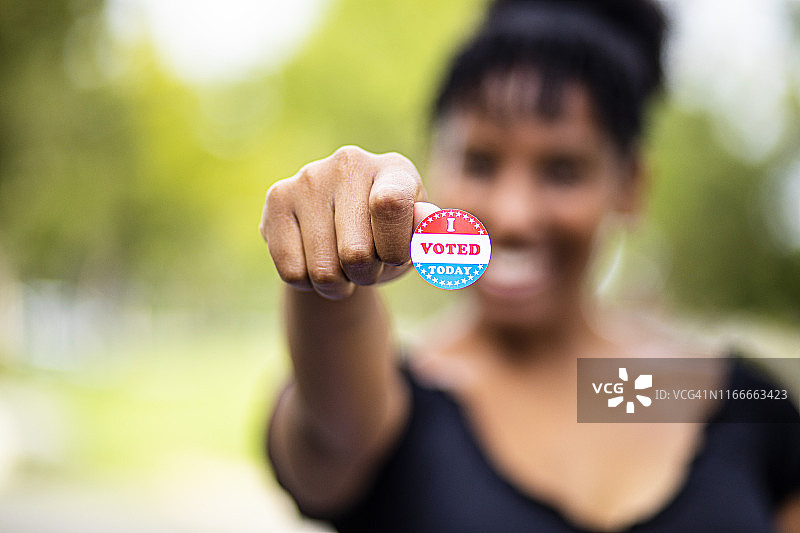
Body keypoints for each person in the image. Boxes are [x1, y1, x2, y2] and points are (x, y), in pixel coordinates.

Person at [260, 0, 800, 531]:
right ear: (435, 165)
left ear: (631, 184)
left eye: (562, 170)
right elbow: (334, 429)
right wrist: (329, 273)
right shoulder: (378, 403)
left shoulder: (730, 397)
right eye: (481, 161)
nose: (514, 216)